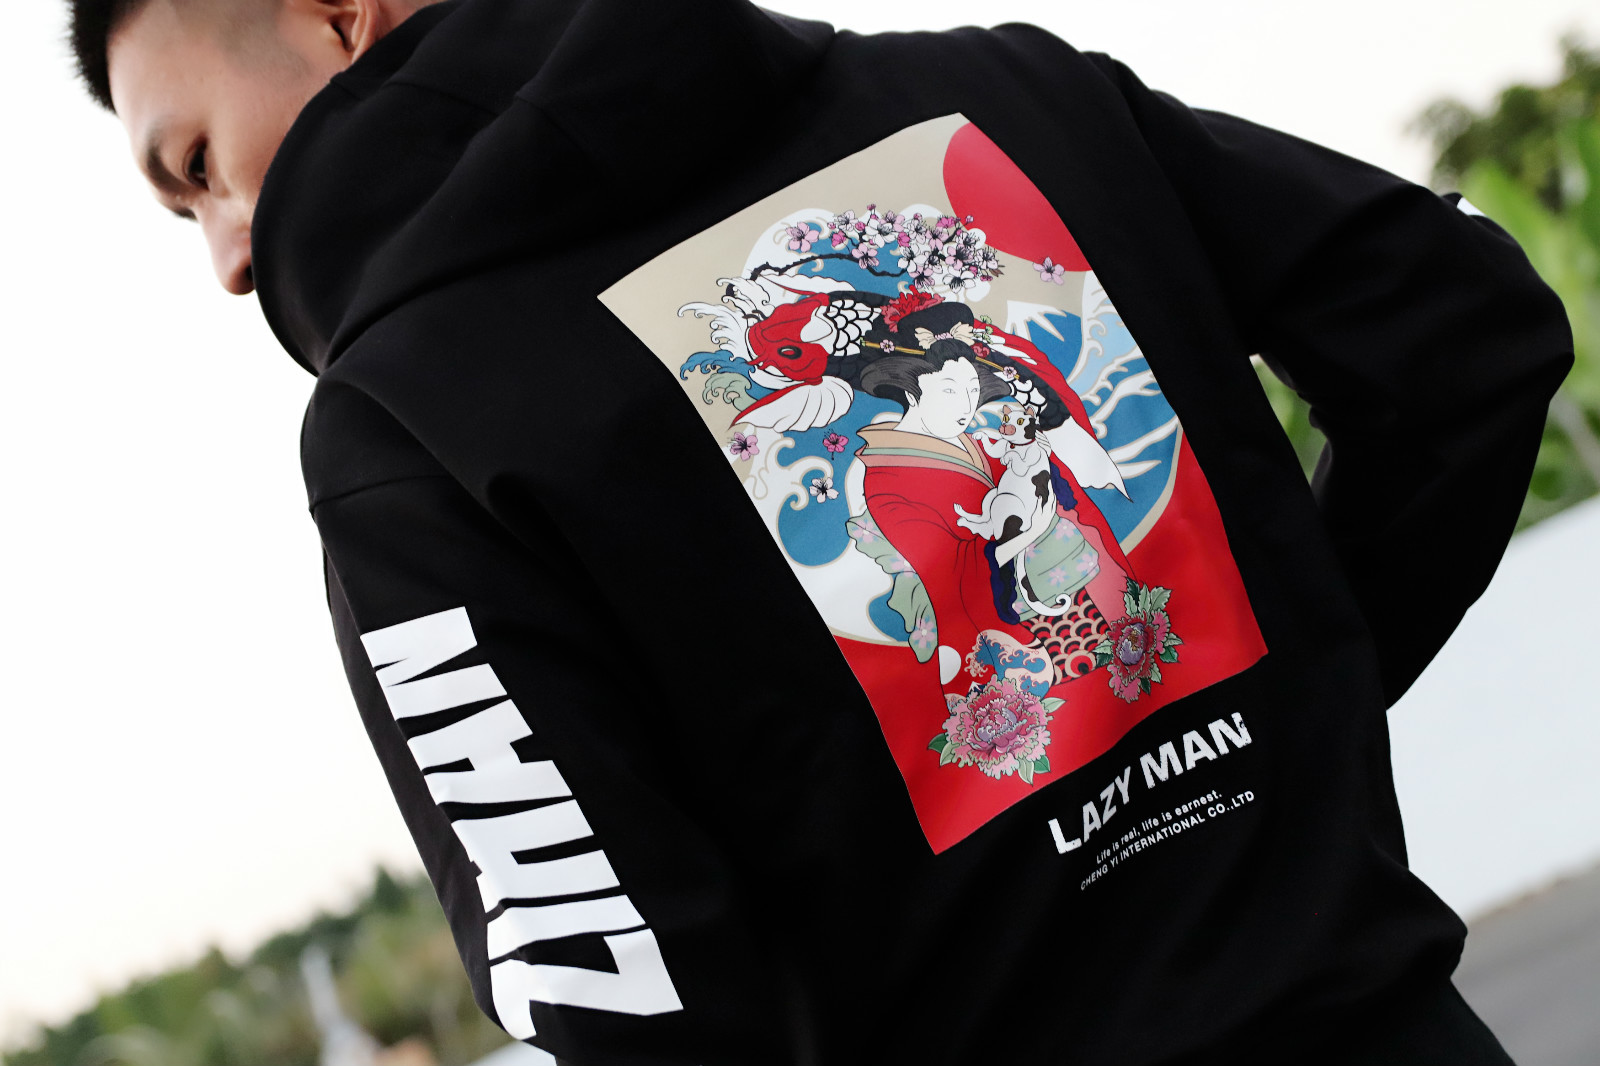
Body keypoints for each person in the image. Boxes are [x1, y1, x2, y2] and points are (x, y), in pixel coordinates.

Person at [75, 0, 1574, 1062]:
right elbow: (1462, 333)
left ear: (339, 17)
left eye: (197, 163)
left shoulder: (412, 426)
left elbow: (624, 998)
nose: (224, 257)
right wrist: (1283, 705)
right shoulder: (997, 95)